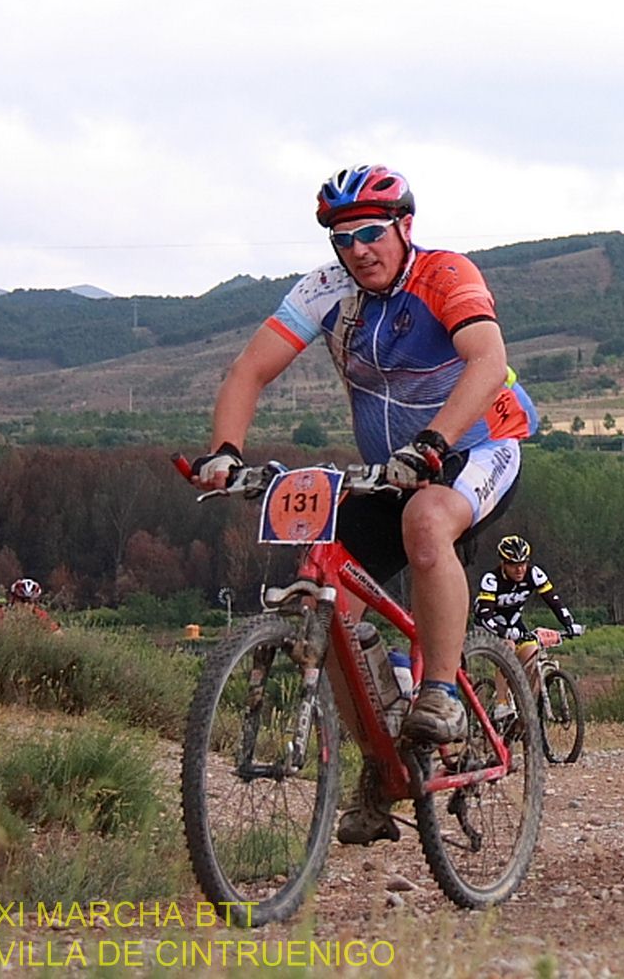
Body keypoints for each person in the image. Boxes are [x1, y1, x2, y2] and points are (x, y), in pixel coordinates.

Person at [191, 163, 537, 844]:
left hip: (478, 445)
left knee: (426, 522)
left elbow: (486, 360)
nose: (358, 250)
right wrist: (224, 451)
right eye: (343, 238)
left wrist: (435, 442)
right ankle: (381, 765)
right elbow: (249, 371)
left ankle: (440, 693)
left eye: (372, 232)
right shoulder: (325, 291)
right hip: (389, 470)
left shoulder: (445, 274)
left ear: (404, 226)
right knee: (332, 609)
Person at [473, 534, 585, 655]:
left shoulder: (534, 573)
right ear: (503, 564)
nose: (519, 570)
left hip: (514, 623)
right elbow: (485, 618)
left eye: (523, 564)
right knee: (508, 647)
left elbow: (554, 601)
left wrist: (569, 623)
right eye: (513, 565)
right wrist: (505, 632)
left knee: (532, 651)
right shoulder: (491, 579)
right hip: (488, 627)